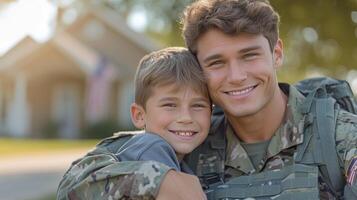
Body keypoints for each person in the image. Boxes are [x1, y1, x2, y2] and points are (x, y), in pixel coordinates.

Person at [58, 0, 357, 199]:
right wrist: (159, 181)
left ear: (276, 53)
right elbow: (73, 184)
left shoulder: (333, 132)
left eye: (249, 56)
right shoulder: (189, 136)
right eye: (216, 63)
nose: (236, 75)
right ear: (200, 69)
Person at [57, 47, 210, 200]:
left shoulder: (175, 157)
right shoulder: (152, 146)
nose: (186, 117)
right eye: (170, 105)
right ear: (139, 115)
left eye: (198, 105)